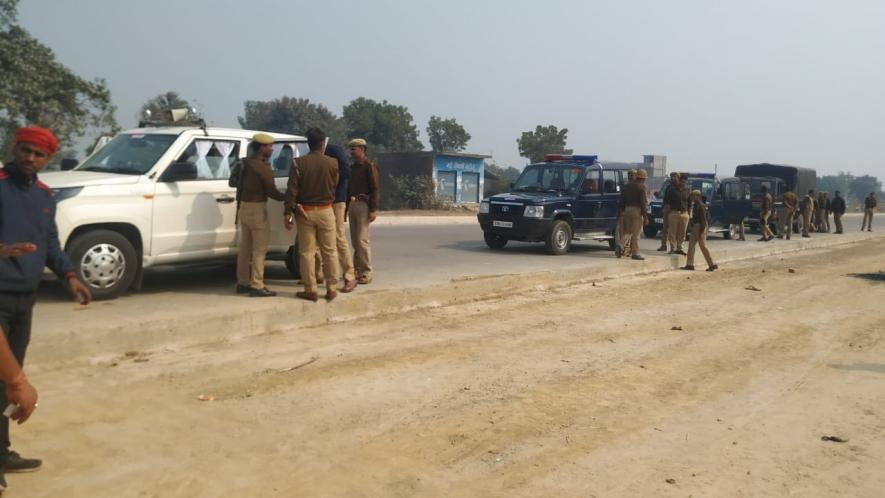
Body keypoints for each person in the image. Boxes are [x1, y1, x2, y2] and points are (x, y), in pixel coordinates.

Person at [0, 126, 93, 491]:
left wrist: (69, 274)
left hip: (25, 298)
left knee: (8, 379)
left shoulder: (44, 195)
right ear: (14, 147)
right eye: (25, 151)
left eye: (39, 155)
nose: (30, 159)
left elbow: (50, 241)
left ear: (48, 159)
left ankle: (3, 451)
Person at [285, 128, 340, 302]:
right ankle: (331, 288)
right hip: (326, 210)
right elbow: (334, 186)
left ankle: (310, 289)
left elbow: (292, 190)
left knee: (307, 252)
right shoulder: (333, 163)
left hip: (305, 212)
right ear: (323, 144)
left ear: (308, 144)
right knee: (330, 251)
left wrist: (288, 211)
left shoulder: (298, 163)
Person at [235, 134, 286, 297]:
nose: (272, 149)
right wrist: (289, 197)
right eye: (270, 146)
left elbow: (232, 182)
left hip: (243, 207)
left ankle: (242, 282)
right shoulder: (263, 167)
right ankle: (257, 285)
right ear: (262, 148)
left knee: (245, 248)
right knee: (259, 249)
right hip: (257, 209)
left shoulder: (244, 163)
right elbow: (272, 192)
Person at [314, 145, 357, 293]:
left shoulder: (334, 151)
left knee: (338, 237)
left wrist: (330, 181)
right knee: (318, 240)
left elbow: (346, 171)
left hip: (337, 200)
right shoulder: (314, 154)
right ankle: (317, 274)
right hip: (321, 201)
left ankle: (350, 276)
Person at [347, 138, 380, 284]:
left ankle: (366, 271)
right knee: (355, 241)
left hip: (363, 206)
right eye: (351, 148)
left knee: (362, 240)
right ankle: (357, 270)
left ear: (362, 149)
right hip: (352, 204)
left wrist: (373, 209)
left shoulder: (369, 166)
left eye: (354, 148)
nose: (351, 151)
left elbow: (375, 189)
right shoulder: (352, 168)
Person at [681, 189, 718, 271]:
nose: (693, 198)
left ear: (698, 196)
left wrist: (701, 232)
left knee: (703, 247)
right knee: (691, 245)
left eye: (695, 196)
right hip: (696, 227)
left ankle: (711, 264)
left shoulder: (701, 206)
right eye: (693, 196)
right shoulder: (696, 205)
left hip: (700, 226)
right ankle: (689, 264)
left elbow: (703, 220)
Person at [616, 169, 648, 260]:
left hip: (627, 210)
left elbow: (622, 201)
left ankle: (620, 244)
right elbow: (643, 203)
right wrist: (645, 217)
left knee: (628, 232)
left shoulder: (626, 186)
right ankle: (635, 253)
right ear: (643, 178)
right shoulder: (642, 187)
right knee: (636, 234)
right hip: (636, 211)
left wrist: (621, 212)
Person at [665, 173, 689, 255]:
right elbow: (668, 202)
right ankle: (672, 248)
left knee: (682, 233)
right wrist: (667, 213)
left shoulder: (688, 190)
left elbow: (689, 203)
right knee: (672, 232)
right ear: (679, 181)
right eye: (682, 181)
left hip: (684, 214)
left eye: (685, 182)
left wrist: (689, 214)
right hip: (674, 213)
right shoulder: (672, 190)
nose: (683, 183)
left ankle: (680, 248)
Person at [657, 171, 679, 252]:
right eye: (671, 176)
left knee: (673, 230)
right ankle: (663, 245)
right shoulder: (668, 187)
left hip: (675, 210)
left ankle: (674, 247)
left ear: (678, 177)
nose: (672, 178)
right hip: (668, 208)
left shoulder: (680, 187)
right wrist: (662, 208)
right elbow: (665, 199)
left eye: (674, 176)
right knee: (665, 228)